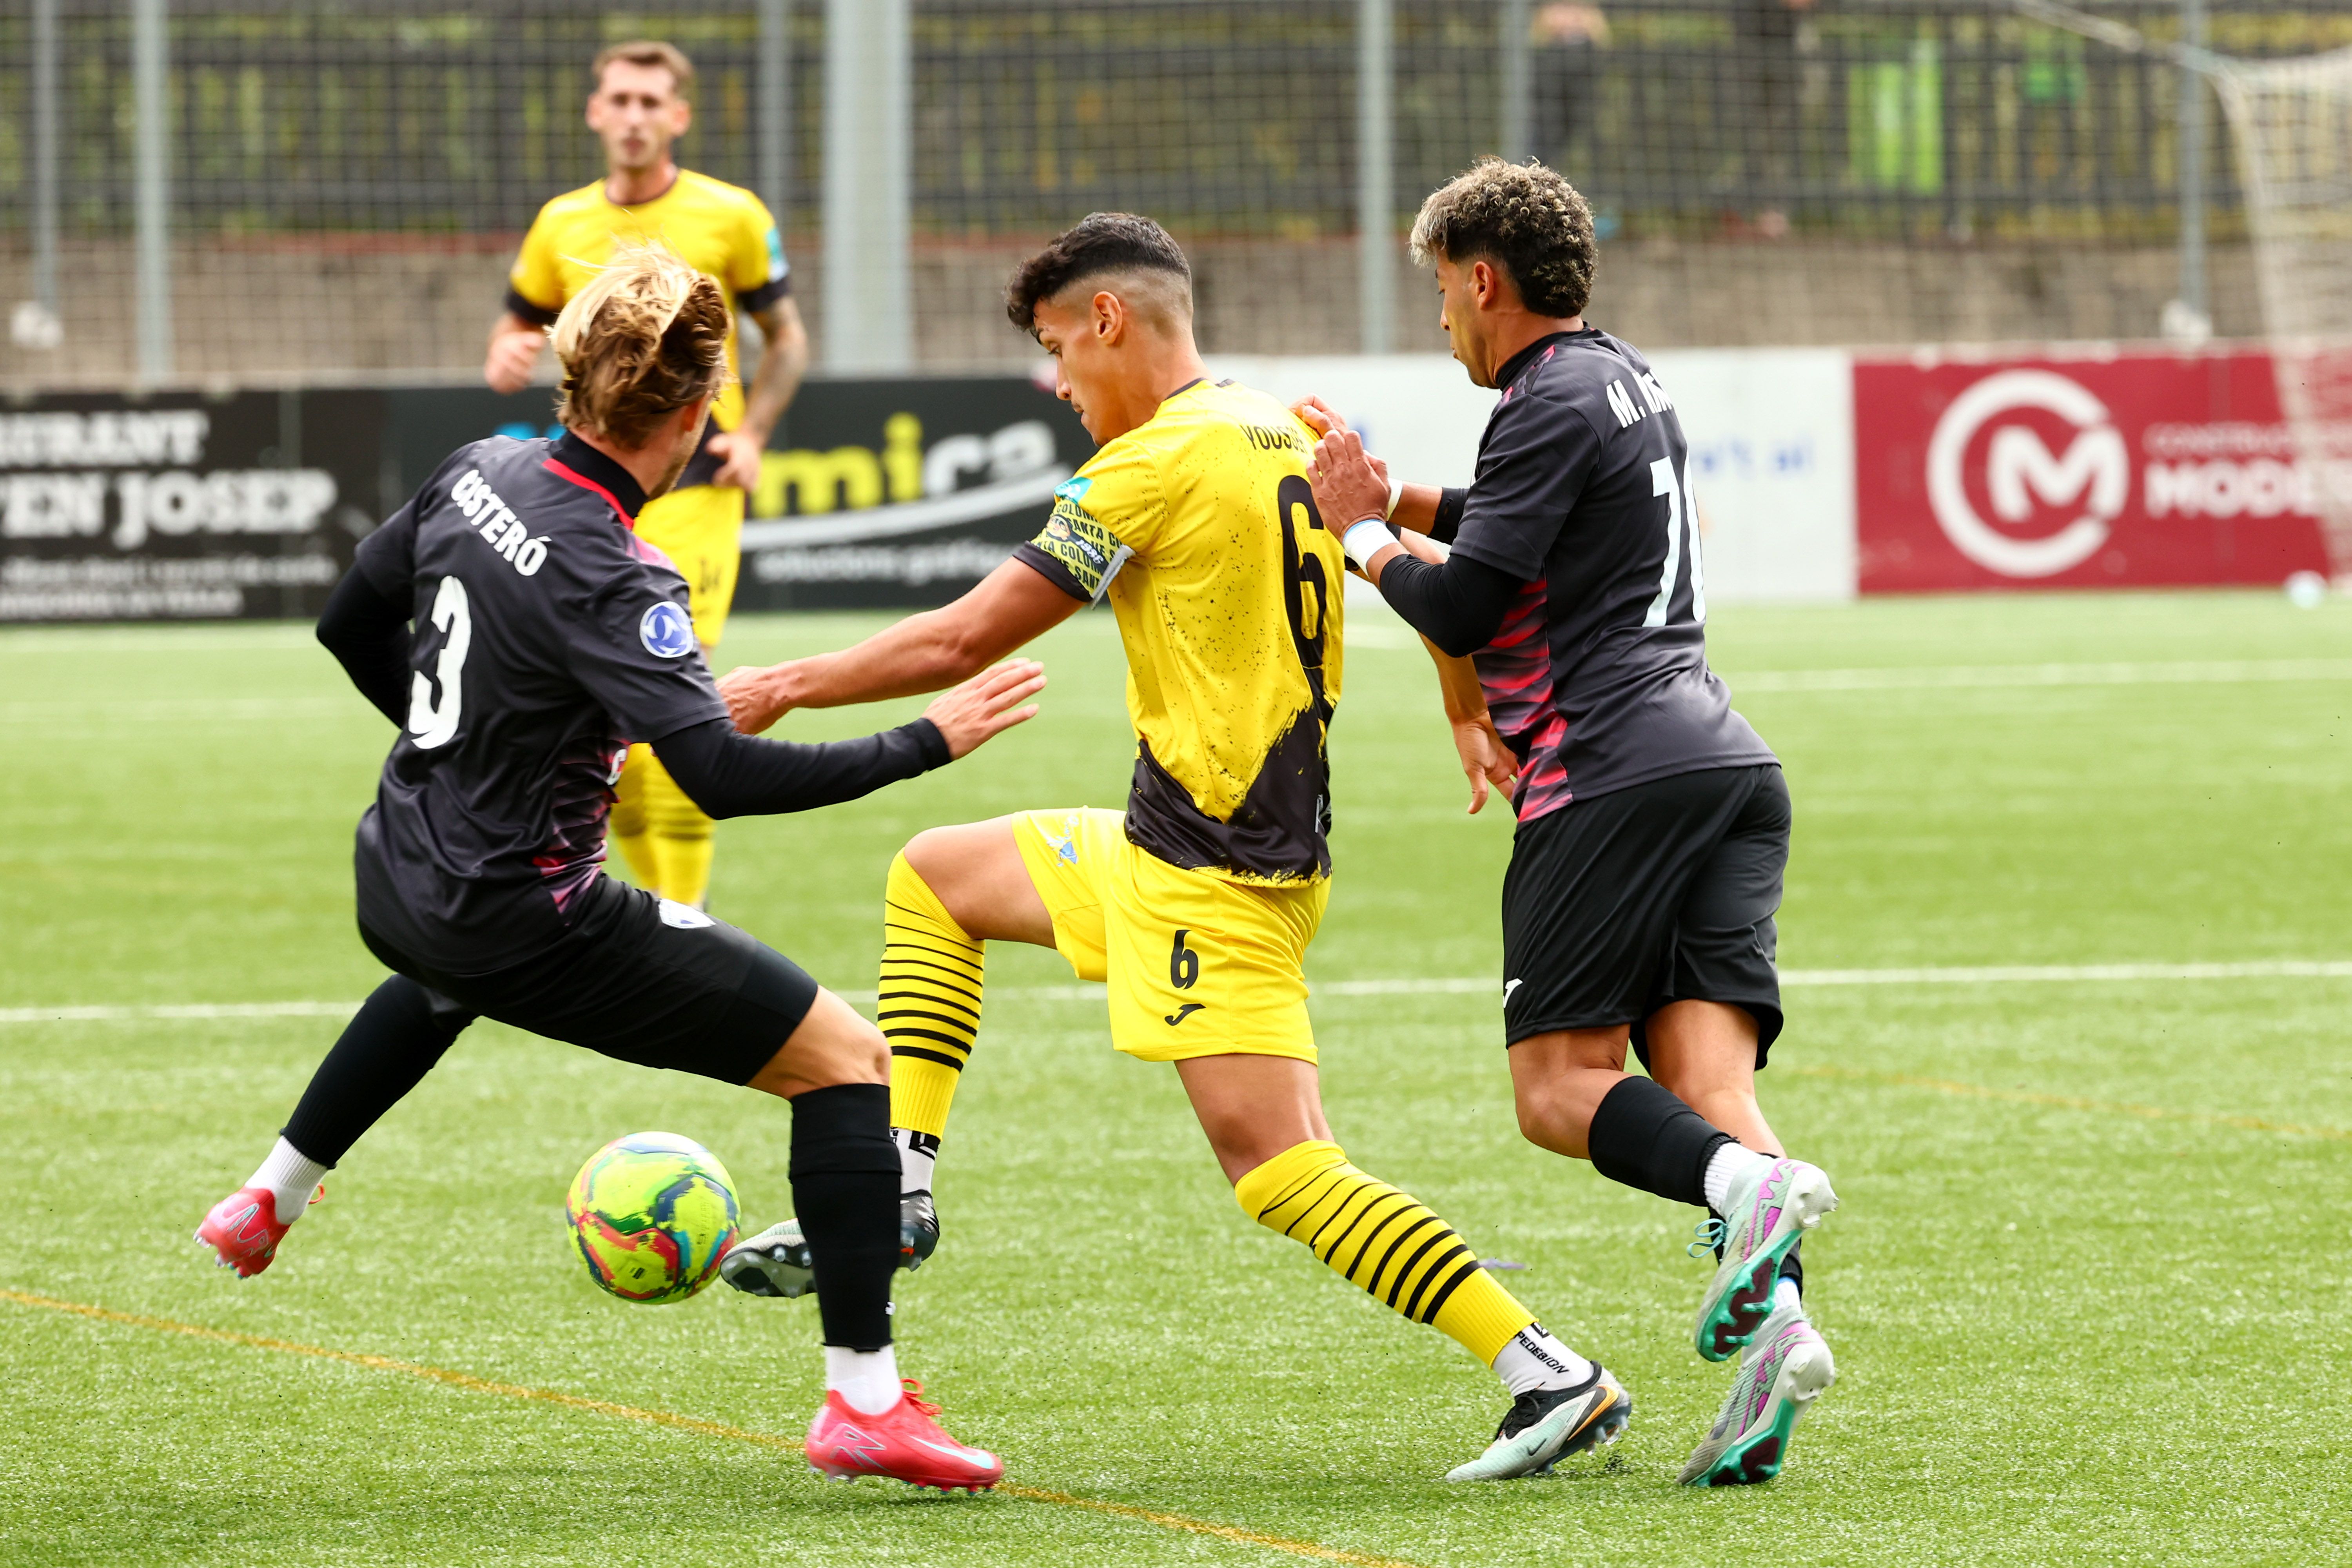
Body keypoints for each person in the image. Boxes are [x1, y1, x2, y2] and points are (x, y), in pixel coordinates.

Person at [710, 212, 1631, 1483]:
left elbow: (964, 641)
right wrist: (1463, 707)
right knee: (939, 877)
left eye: (1055, 348)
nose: (1055, 380)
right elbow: (1412, 560)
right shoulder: (1274, 424)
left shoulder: (1144, 466)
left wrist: (781, 687)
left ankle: (1545, 1370)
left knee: (1280, 1166)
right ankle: (904, 1186)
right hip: (1180, 849)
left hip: (1217, 874)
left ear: (1109, 320)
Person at [197, 243, 1018, 1493]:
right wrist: (926, 740)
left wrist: (462, 751)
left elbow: (348, 623)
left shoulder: (482, 468)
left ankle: (270, 1194)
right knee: (851, 1061)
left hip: (403, 866)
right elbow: (719, 782)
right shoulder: (624, 574)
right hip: (533, 916)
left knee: (437, 974)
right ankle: (865, 1402)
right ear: (697, 416)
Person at [1299, 157, 1839, 1487]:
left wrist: (1361, 539)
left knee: (1558, 1091)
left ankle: (1746, 1199)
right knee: (1711, 1092)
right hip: (1724, 763)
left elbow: (1469, 609)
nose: (1440, 319)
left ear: (1485, 281)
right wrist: (1406, 501)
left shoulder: (1540, 397)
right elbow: (1522, 532)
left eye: (1440, 292)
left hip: (1610, 773)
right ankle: (1781, 1340)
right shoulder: (1625, 378)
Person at [486, 39, 811, 912]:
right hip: (592, 491)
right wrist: (506, 350)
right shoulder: (560, 225)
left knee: (672, 698)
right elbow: (513, 327)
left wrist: (756, 436)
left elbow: (788, 337)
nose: (633, 117)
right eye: (619, 100)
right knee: (607, 717)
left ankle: (686, 917)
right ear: (596, 112)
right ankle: (656, 906)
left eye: (650, 102)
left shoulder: (732, 215)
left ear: (679, 116)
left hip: (696, 484)